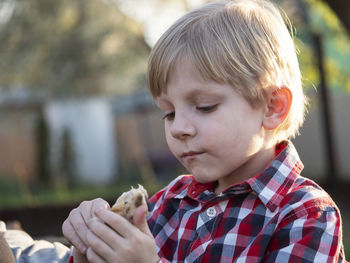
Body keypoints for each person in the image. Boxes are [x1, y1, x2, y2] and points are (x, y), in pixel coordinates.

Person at [62, 0, 347, 262]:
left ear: (272, 106)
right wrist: (92, 246)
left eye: (205, 106)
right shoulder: (168, 205)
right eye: (169, 113)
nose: (178, 128)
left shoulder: (306, 216)